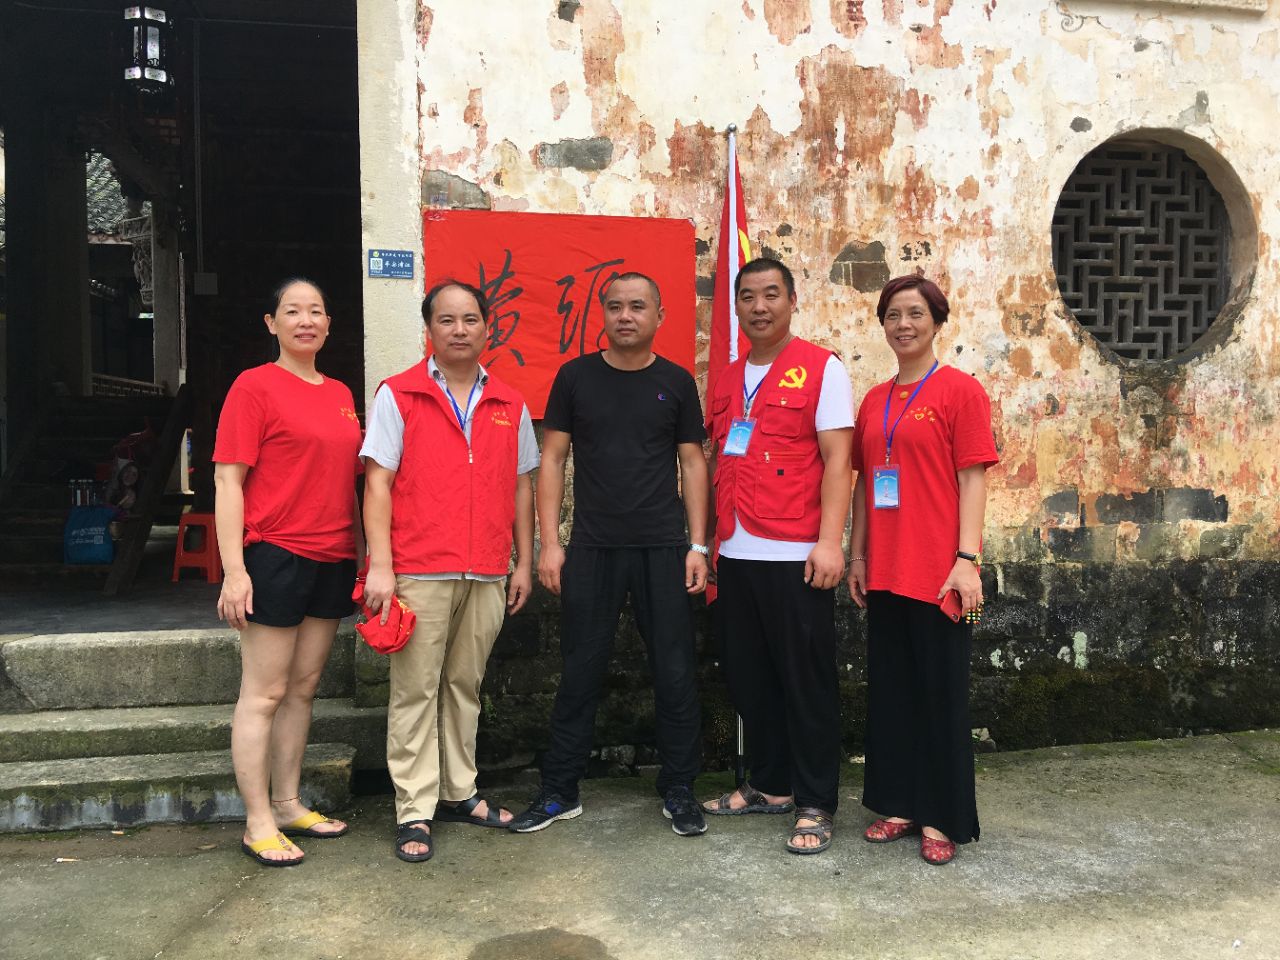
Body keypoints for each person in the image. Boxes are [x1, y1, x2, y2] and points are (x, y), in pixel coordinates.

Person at [509, 272, 711, 838]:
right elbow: (552, 459)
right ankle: (560, 789)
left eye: (638, 306)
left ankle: (679, 787)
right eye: (616, 306)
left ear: (659, 316)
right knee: (580, 669)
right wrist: (551, 544)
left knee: (675, 670)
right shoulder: (575, 377)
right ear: (603, 313)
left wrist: (698, 544)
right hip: (592, 547)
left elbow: (693, 463)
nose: (626, 316)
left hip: (663, 547)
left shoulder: (675, 381)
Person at [361, 280, 537, 864]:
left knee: (464, 685)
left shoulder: (509, 404)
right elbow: (378, 483)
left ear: (487, 327)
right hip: (419, 568)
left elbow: (521, 488)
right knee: (415, 690)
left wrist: (523, 563)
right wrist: (381, 566)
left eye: (470, 320)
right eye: (446, 320)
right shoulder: (400, 394)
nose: (459, 330)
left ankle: (460, 792)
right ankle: (414, 808)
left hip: (487, 569)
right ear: (429, 329)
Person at [701, 257, 854, 856]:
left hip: (796, 551)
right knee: (750, 678)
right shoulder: (726, 378)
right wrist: (707, 544)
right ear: (737, 306)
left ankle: (816, 801)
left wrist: (830, 542)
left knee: (805, 683)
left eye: (771, 295)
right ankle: (770, 784)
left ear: (792, 301)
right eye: (748, 297)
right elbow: (718, 459)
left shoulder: (821, 368)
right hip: (736, 549)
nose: (759, 307)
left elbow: (839, 462)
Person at [847, 274, 998, 866]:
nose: (903, 324)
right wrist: (858, 555)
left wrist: (967, 560)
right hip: (885, 568)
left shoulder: (961, 391)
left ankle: (940, 814)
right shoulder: (874, 401)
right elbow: (865, 485)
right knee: (892, 693)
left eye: (914, 313)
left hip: (939, 571)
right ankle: (898, 803)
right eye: (892, 315)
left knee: (939, 695)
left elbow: (972, 478)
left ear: (937, 322)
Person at [214, 278, 363, 867]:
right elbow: (228, 479)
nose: (306, 320)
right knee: (264, 692)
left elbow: (349, 484)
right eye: (293, 311)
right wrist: (234, 570)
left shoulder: (341, 392)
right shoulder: (254, 386)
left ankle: (287, 803)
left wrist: (363, 555)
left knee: (303, 688)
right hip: (275, 554)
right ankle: (257, 822)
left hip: (333, 556)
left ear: (328, 324)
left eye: (316, 311)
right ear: (271, 323)